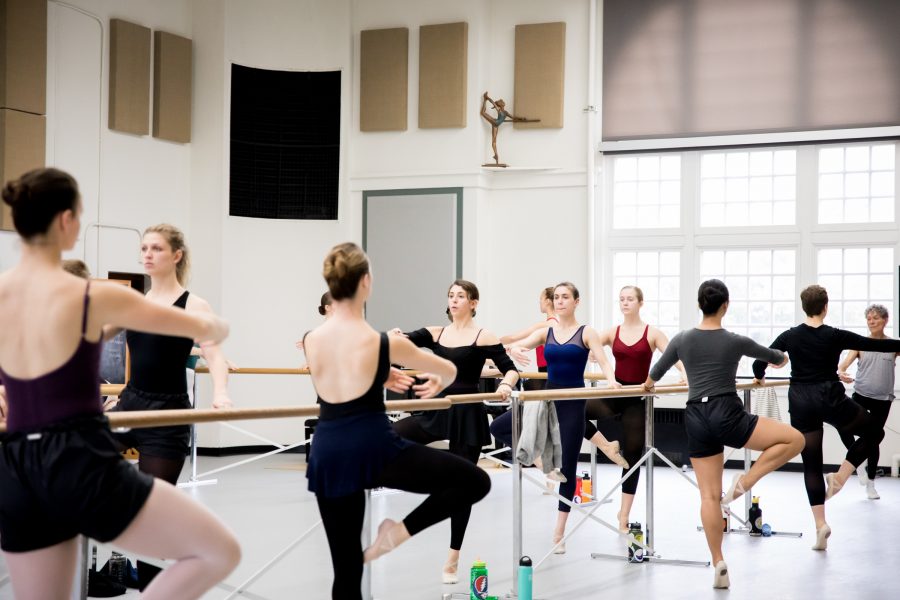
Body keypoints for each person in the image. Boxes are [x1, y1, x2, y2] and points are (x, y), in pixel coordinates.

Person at [0, 167, 240, 599]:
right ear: (67, 220)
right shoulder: (97, 295)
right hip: (76, 458)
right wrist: (213, 326)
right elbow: (212, 330)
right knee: (217, 551)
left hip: (15, 463)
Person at [303, 243, 491, 600]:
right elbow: (448, 368)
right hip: (374, 448)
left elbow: (345, 371)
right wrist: (438, 379)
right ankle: (396, 533)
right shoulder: (381, 342)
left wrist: (380, 375)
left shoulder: (313, 339)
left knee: (346, 571)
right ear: (366, 283)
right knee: (474, 482)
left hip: (328, 453)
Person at [644, 279, 803, 589]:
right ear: (725, 306)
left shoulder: (682, 339)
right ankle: (745, 481)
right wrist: (780, 359)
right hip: (726, 413)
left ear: (699, 304)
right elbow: (778, 358)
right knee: (795, 439)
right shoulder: (734, 340)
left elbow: (653, 377)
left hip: (695, 416)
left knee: (708, 496)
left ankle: (718, 562)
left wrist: (650, 385)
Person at [390, 279, 519, 584]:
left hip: (466, 411)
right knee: (392, 434)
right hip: (437, 406)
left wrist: (505, 385)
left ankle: (453, 556)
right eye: (451, 295)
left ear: (473, 302)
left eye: (461, 296)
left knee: (463, 486)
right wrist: (394, 336)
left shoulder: (482, 335)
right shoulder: (434, 332)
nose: (454, 300)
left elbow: (510, 368)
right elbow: (401, 342)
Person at [752, 285, 900, 549]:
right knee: (874, 432)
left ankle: (820, 526)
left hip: (800, 401)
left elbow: (760, 360)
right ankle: (841, 477)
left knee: (811, 463)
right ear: (825, 306)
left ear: (804, 307)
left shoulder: (790, 335)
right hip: (829, 398)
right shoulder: (835, 335)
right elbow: (874, 344)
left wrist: (760, 376)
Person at [491, 282, 620, 553]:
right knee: (501, 426)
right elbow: (518, 346)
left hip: (572, 403)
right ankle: (540, 460)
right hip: (546, 399)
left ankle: (559, 531)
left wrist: (611, 381)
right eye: (557, 297)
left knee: (568, 467)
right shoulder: (546, 331)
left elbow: (604, 361)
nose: (560, 301)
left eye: (565, 297)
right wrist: (512, 351)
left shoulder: (587, 332)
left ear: (576, 302)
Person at [106, 224, 234, 486]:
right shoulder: (134, 302)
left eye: (156, 248)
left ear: (176, 256)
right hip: (130, 405)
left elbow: (214, 354)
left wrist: (221, 393)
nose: (148, 255)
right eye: (144, 249)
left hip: (168, 416)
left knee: (153, 503)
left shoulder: (193, 305)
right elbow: (91, 338)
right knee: (77, 452)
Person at [584, 285, 686, 531]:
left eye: (630, 299)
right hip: (616, 392)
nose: (625, 303)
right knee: (576, 412)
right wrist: (590, 354)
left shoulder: (652, 333)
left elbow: (674, 355)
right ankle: (607, 446)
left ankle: (623, 514)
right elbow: (587, 343)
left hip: (638, 397)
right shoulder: (612, 332)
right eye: (621, 299)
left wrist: (685, 374)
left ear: (641, 303)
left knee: (632, 455)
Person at [837, 304, 899, 500]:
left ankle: (871, 483)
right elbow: (843, 365)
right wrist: (841, 372)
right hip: (861, 395)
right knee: (844, 427)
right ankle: (858, 465)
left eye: (876, 318)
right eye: (869, 319)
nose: (871, 322)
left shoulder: (893, 345)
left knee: (873, 439)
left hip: (883, 399)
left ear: (885, 320)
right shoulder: (860, 343)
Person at [500, 286, 557, 391]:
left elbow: (513, 338)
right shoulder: (558, 324)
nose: (539, 302)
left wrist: (493, 343)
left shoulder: (545, 325)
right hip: (553, 374)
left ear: (548, 301)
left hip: (548, 375)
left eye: (541, 299)